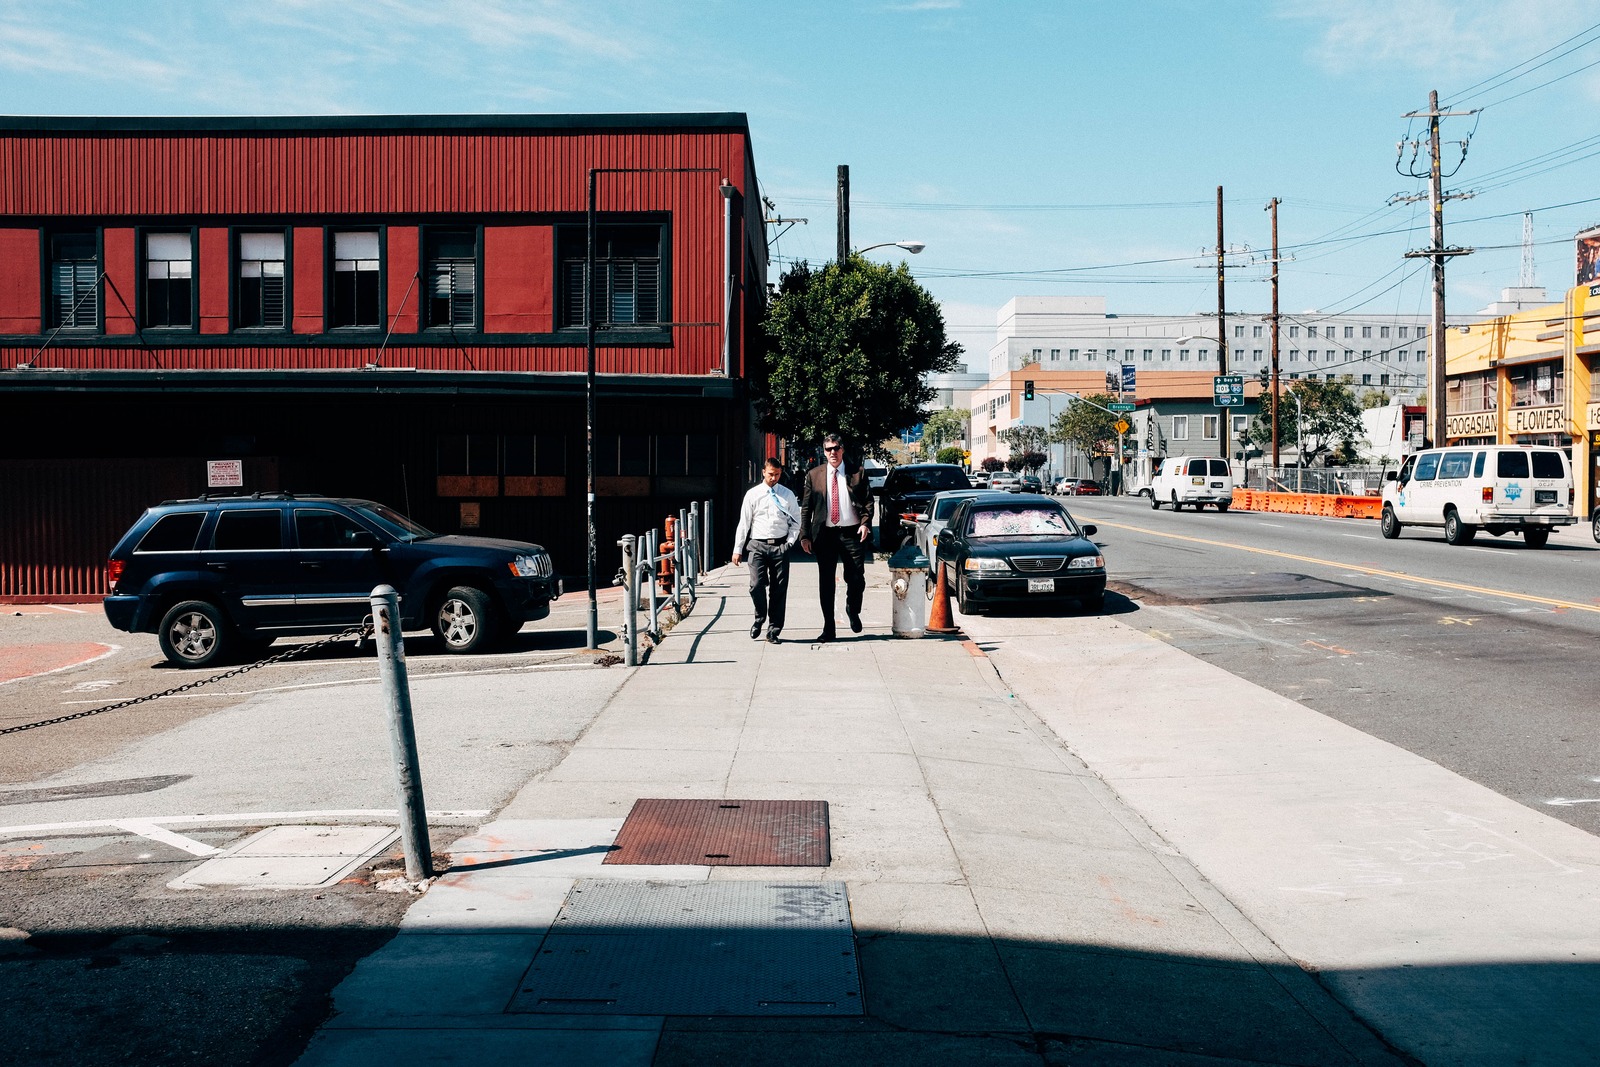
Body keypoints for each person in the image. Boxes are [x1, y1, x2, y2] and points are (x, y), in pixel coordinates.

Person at [800, 433, 874, 642]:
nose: (832, 452)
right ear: (824, 452)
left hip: (852, 532)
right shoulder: (814, 475)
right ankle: (829, 628)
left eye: (836, 448)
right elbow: (807, 509)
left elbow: (868, 502)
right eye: (828, 449)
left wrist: (865, 523)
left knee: (856, 578)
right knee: (826, 582)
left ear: (842, 449)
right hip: (825, 534)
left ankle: (853, 608)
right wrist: (805, 536)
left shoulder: (857, 473)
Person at [730, 458, 802, 643]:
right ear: (763, 472)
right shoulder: (753, 495)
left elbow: (796, 522)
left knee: (779, 589)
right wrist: (737, 549)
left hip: (780, 545)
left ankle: (774, 630)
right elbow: (744, 523)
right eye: (771, 474)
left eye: (777, 474)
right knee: (756, 585)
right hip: (757, 545)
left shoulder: (787, 495)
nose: (774, 478)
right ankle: (759, 618)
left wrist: (790, 542)